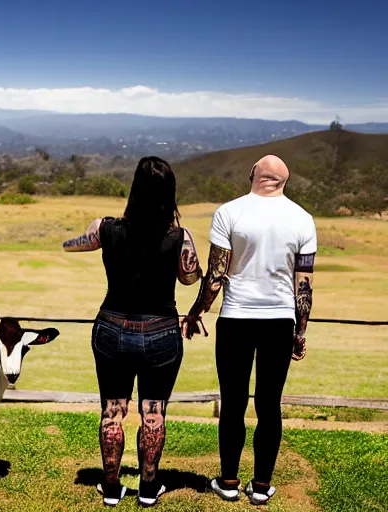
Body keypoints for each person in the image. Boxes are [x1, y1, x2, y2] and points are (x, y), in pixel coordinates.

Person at [63, 156, 201, 507]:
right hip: (160, 331)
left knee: (112, 410)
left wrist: (91, 238)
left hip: (110, 326)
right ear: (169, 195)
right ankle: (148, 487)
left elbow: (73, 244)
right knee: (153, 411)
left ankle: (111, 487)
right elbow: (190, 277)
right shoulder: (179, 237)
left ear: (134, 190)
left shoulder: (106, 228)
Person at [182, 154, 317, 506]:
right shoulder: (303, 219)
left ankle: (228, 481)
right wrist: (299, 333)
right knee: (269, 405)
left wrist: (197, 312)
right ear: (283, 182)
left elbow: (215, 277)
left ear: (253, 175)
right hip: (280, 321)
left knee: (233, 403)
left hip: (236, 319)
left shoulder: (230, 212)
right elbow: (303, 287)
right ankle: (260, 487)